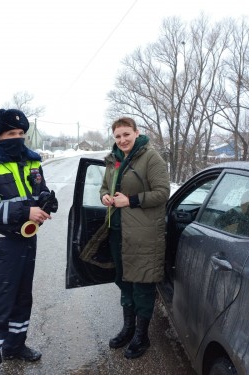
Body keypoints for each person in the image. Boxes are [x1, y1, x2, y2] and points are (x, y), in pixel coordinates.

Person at [0, 108, 58, 374]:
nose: (18, 138)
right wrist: (25, 211)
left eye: (21, 133)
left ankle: (15, 346)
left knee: (22, 298)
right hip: (4, 243)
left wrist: (46, 201)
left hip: (28, 240)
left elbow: (40, 189)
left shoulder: (32, 161)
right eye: (11, 133)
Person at [100, 117, 170, 359]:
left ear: (136, 133)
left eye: (126, 134)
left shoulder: (151, 157)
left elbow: (162, 193)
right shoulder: (113, 160)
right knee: (123, 281)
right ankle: (128, 328)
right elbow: (104, 187)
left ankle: (142, 335)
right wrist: (105, 198)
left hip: (143, 235)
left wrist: (129, 200)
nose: (122, 140)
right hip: (117, 232)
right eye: (118, 136)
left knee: (142, 284)